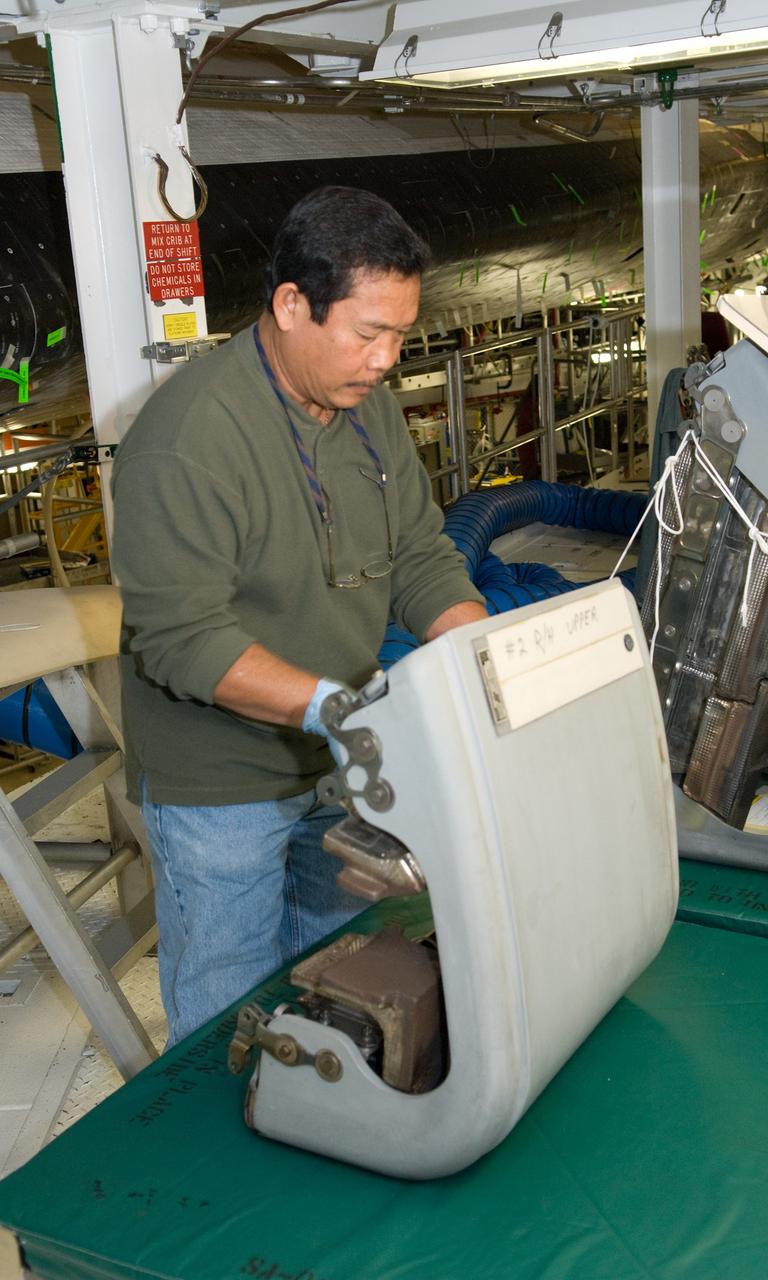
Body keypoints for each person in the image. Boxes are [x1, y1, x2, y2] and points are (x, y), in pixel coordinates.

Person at [111, 186, 487, 1046]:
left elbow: (421, 555)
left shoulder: (366, 406)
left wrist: (487, 664)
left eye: (401, 334)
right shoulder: (189, 441)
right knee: (228, 1021)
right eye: (368, 333)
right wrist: (337, 711)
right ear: (291, 305)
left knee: (336, 982)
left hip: (339, 760)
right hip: (221, 784)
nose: (387, 358)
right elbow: (183, 641)